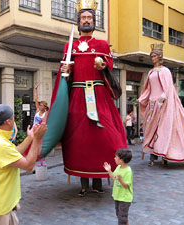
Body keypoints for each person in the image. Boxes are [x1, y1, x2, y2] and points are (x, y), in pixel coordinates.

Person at [58, 0, 127, 196]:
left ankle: (99, 181)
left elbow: (110, 68)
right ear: (78, 21)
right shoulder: (69, 45)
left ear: (94, 21)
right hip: (78, 96)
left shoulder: (102, 44)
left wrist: (103, 67)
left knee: (103, 136)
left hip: (99, 95)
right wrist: (65, 70)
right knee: (79, 139)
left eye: (89, 18)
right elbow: (65, 72)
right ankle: (83, 182)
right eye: (83, 18)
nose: (86, 21)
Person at [0, 104, 47, 225]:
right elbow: (28, 165)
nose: (15, 121)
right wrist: (38, 140)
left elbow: (15, 153)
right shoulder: (0, 144)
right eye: (14, 118)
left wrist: (30, 137)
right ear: (8, 122)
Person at [138, 43, 184, 166]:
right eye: (151, 56)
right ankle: (153, 154)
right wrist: (143, 99)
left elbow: (168, 87)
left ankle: (164, 154)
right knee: (150, 129)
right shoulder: (150, 72)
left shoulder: (165, 71)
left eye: (154, 56)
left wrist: (163, 98)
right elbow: (148, 88)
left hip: (163, 104)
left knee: (163, 129)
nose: (152, 58)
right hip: (152, 105)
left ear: (159, 57)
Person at [103, 149, 133, 225]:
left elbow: (126, 186)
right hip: (117, 196)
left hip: (124, 198)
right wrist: (109, 171)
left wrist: (120, 179)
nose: (114, 158)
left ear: (121, 160)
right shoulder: (118, 167)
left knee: (122, 219)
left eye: (116, 157)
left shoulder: (128, 171)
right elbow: (114, 179)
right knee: (120, 216)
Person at [34, 83, 49, 167]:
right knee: (35, 145)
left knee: (41, 145)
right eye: (39, 105)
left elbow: (44, 122)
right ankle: (37, 159)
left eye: (41, 105)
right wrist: (35, 89)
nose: (40, 106)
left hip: (41, 130)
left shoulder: (45, 113)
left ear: (44, 107)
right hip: (34, 129)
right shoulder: (37, 110)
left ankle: (42, 159)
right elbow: (36, 99)